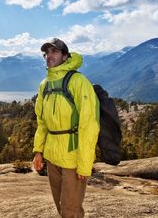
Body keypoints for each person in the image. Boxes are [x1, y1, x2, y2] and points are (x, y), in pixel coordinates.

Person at [33, 38, 100, 217]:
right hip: (52, 157)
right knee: (60, 206)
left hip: (73, 158)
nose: (49, 56)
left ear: (65, 56)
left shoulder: (78, 82)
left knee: (71, 210)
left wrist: (85, 165)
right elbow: (42, 122)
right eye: (46, 53)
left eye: (54, 51)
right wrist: (39, 151)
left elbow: (89, 125)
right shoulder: (44, 85)